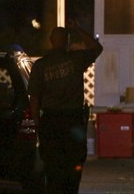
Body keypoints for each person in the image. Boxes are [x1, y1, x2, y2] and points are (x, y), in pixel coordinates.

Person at [28, 18, 103, 194]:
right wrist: (77, 28)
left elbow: (34, 98)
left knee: (53, 168)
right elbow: (97, 48)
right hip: (73, 120)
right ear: (68, 41)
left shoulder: (40, 65)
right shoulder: (77, 60)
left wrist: (37, 124)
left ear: (51, 41)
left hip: (51, 121)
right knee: (73, 165)